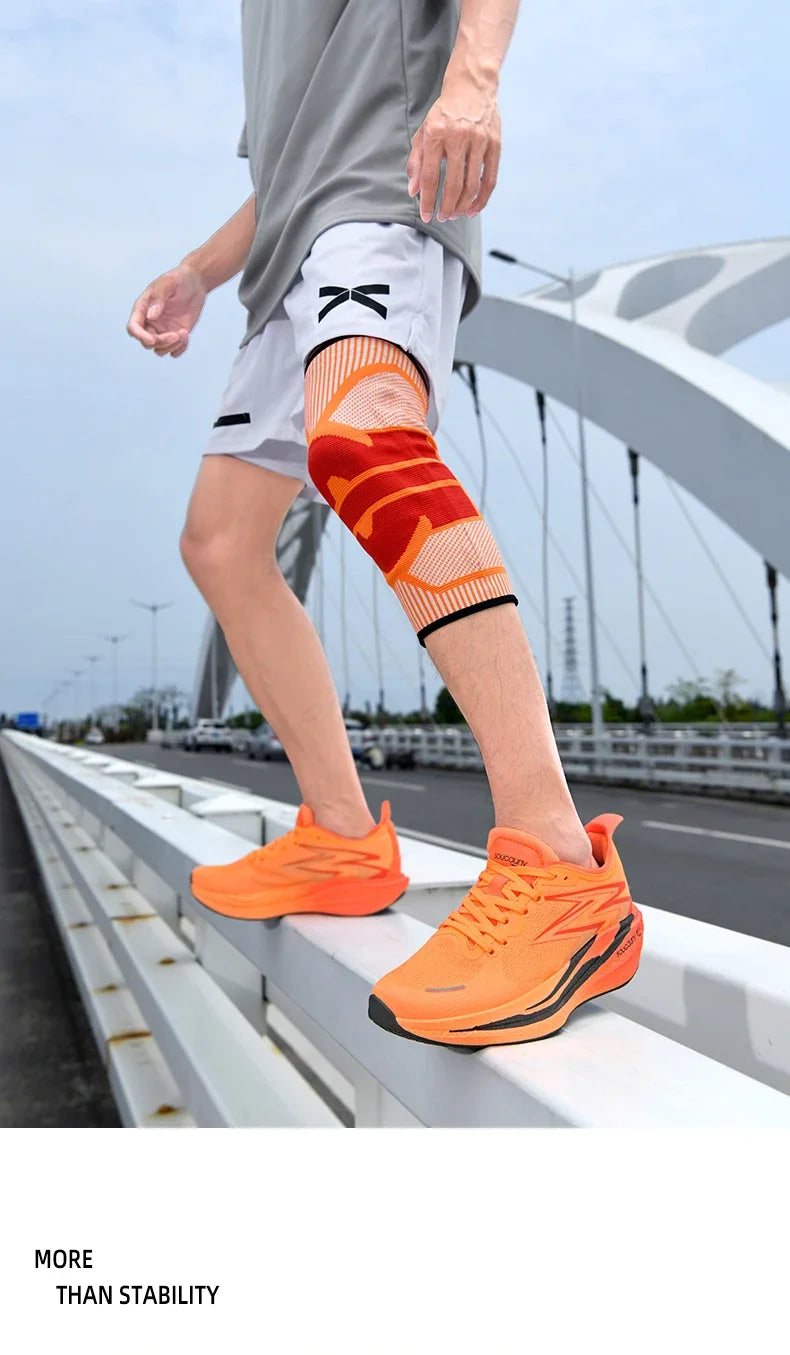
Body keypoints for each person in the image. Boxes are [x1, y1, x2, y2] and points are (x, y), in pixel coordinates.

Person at [127, 0, 643, 1049]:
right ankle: (344, 837)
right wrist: (198, 269)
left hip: (385, 194)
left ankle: (559, 865)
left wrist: (473, 82)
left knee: (366, 441)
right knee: (221, 541)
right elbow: (281, 164)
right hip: (286, 259)